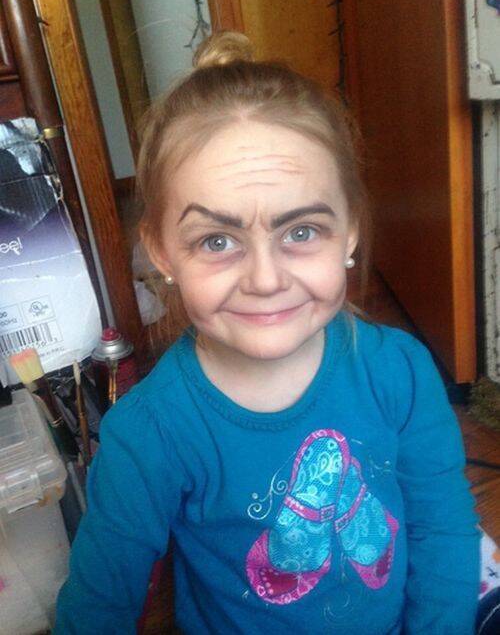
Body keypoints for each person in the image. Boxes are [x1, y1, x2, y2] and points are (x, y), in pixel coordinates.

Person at [55, 32, 479, 634]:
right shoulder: (147, 436)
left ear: (350, 231)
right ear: (162, 253)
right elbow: (96, 609)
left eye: (301, 232)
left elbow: (442, 529)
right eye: (217, 240)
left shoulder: (400, 370)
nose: (265, 279)